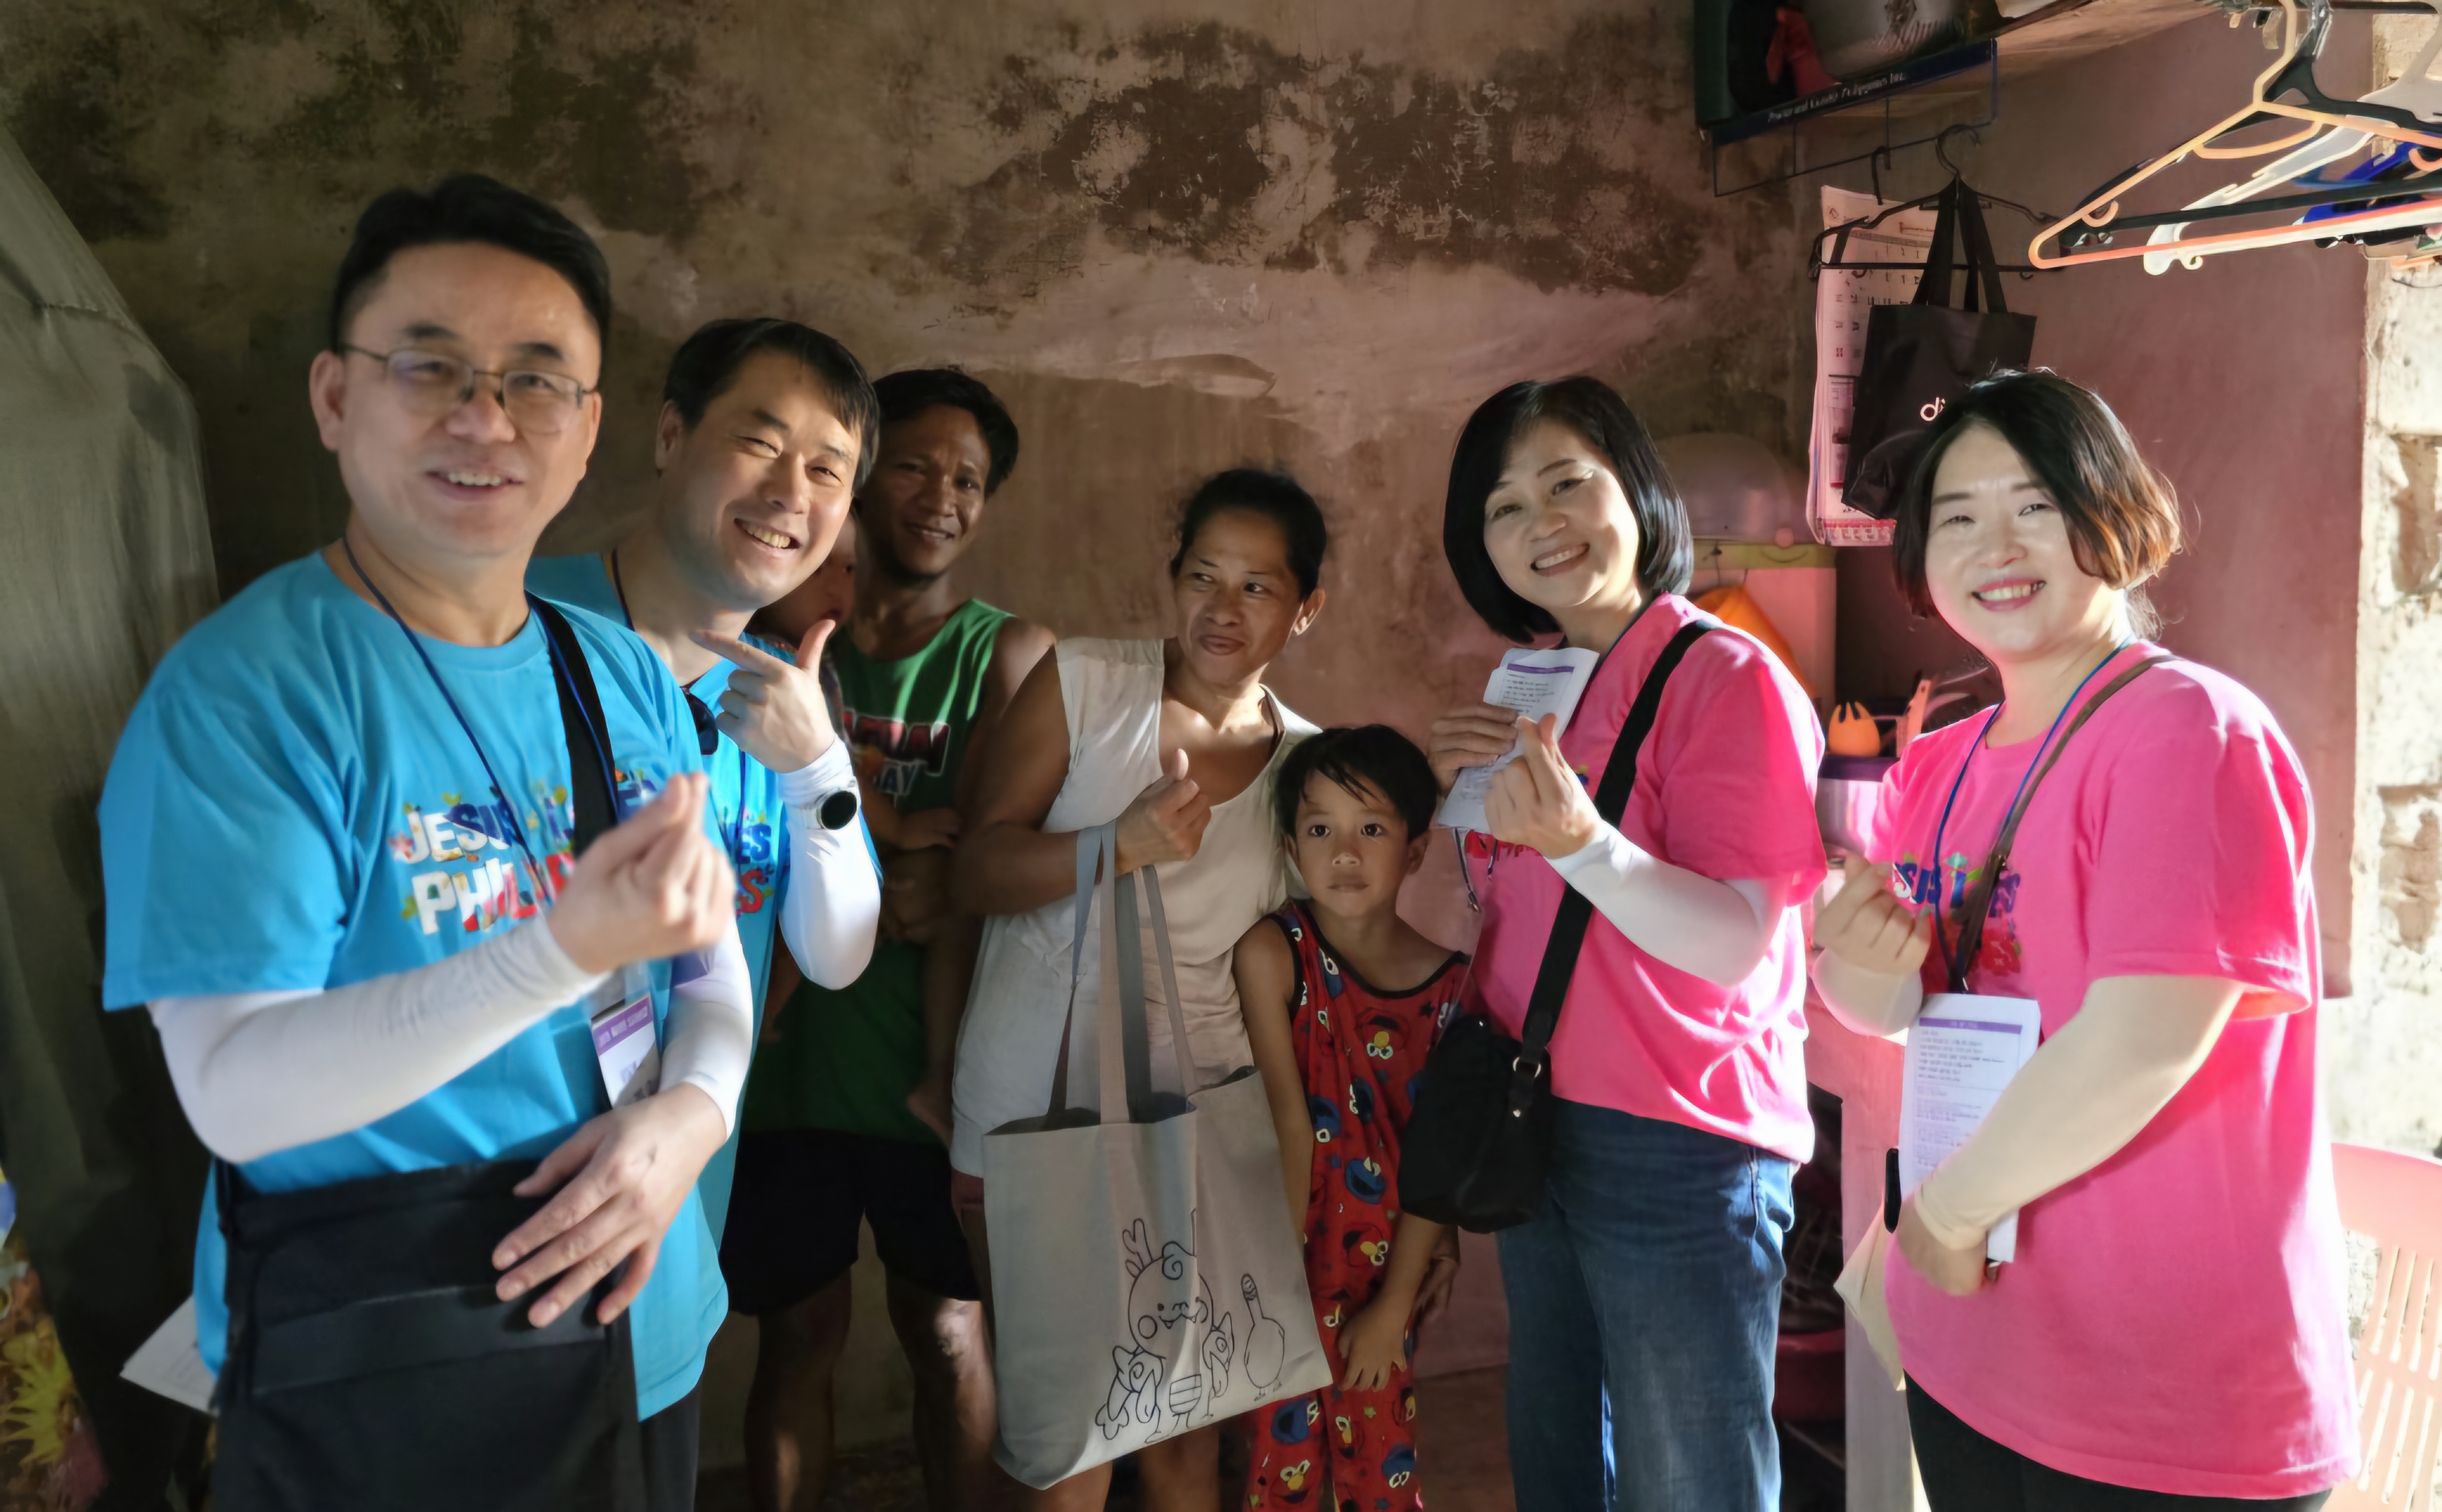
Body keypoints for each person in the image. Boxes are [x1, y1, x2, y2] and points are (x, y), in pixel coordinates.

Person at [96, 175, 802, 1507]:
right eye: (429, 366)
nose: (485, 418)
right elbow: (234, 1092)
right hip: (389, 1364)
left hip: (642, 1319)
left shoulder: (619, 672)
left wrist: (692, 1122)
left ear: (587, 432)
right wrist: (554, 953)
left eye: (536, 380)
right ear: (334, 398)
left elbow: (709, 969)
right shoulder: (250, 695)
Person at [1810, 370, 2355, 1508]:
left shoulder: (2186, 730)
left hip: (2163, 1393)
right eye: (1958, 517)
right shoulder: (1937, 765)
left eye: (2037, 504)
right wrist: (1859, 964)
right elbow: (1915, 1014)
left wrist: (1947, 1213)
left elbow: (2145, 1039)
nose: (1997, 546)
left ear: (2113, 513)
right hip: (1976, 1342)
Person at [1424, 377, 1826, 1510]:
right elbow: (1517, 906)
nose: (1541, 524)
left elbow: (1735, 943)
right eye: (1505, 507)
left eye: (1567, 484)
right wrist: (1468, 809)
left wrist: (1580, 843)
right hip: (1536, 1112)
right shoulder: (1536, 683)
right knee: (1562, 1460)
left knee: (1688, 1479)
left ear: (1637, 490)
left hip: (1678, 1139)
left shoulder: (1728, 678)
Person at [952, 468, 1329, 1511]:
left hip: (1206, 1128)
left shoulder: (1307, 767)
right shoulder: (1087, 682)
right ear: (1173, 577)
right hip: (1040, 1106)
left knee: (1188, 1430)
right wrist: (1113, 846)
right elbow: (976, 872)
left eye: (1258, 587)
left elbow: (1309, 967)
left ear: (1306, 609)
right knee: (1071, 1433)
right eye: (1203, 576)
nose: (1223, 608)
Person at [724, 370, 1052, 1512]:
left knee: (951, 1332)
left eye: (969, 480)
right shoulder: (772, 631)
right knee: (796, 1334)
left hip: (939, 1070)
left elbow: (985, 863)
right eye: (913, 465)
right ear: (861, 477)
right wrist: (903, 866)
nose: (940, 498)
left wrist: (912, 871)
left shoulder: (1010, 654)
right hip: (786, 1065)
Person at [525, 316, 885, 1244]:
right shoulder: (515, 624)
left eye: (828, 471)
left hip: (673, 1228)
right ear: (670, 434)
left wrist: (816, 769)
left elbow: (837, 955)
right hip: (483, 1207)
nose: (790, 492)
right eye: (761, 443)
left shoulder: (784, 701)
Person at [1232, 725, 1464, 1512]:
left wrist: (1396, 1304)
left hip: (1390, 1267)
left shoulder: (1451, 989)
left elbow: (1436, 1157)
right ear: (1289, 846)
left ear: (1416, 850)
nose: (1342, 853)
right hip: (1284, 1261)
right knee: (1280, 1475)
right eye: (1319, 829)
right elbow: (1291, 1126)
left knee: (1381, 1473)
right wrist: (1274, 1291)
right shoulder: (1274, 953)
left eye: (1371, 829)